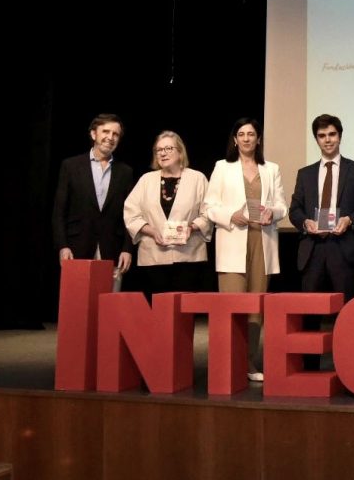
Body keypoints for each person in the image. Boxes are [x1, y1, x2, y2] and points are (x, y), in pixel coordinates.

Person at [205, 118, 289, 382]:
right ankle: (228, 361)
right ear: (234, 139)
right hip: (233, 241)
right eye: (241, 134)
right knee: (231, 306)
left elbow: (282, 206)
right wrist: (231, 215)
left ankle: (249, 362)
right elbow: (209, 206)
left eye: (251, 134)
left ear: (258, 139)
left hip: (262, 243)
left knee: (256, 307)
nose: (246, 138)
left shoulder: (271, 169)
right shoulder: (222, 167)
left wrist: (271, 212)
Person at [289, 114, 354, 365]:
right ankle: (309, 370)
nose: (327, 140)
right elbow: (295, 209)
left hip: (344, 248)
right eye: (322, 136)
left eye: (332, 134)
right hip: (313, 250)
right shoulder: (305, 173)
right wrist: (305, 222)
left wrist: (349, 219)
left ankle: (349, 367)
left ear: (339, 136)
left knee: (348, 313)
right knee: (310, 314)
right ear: (316, 139)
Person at [123, 131, 212, 297]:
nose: (163, 153)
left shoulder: (197, 178)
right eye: (159, 150)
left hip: (188, 256)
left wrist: (191, 227)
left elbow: (209, 213)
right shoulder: (146, 180)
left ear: (180, 152)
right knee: (158, 307)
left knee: (184, 307)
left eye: (168, 148)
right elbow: (131, 213)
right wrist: (151, 230)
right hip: (153, 256)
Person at [52, 114, 134, 275]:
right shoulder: (71, 166)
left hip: (113, 250)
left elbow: (130, 215)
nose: (110, 137)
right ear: (93, 134)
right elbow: (59, 211)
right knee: (77, 291)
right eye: (106, 131)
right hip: (75, 248)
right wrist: (62, 245)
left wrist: (127, 249)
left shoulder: (126, 172)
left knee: (107, 292)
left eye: (115, 134)